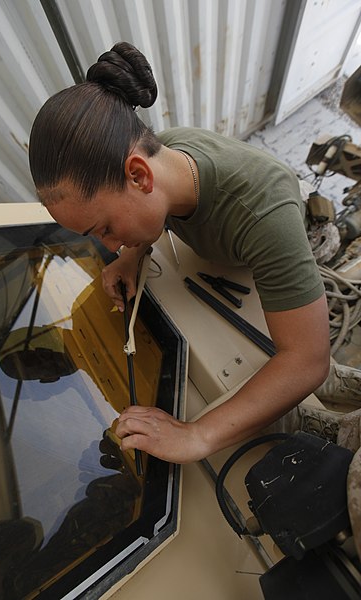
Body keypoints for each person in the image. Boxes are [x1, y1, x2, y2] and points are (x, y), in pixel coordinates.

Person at [29, 42, 330, 464]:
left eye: (107, 229)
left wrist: (197, 436)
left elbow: (308, 360)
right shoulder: (166, 155)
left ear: (138, 175)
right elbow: (154, 211)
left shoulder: (264, 216)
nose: (109, 244)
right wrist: (132, 256)